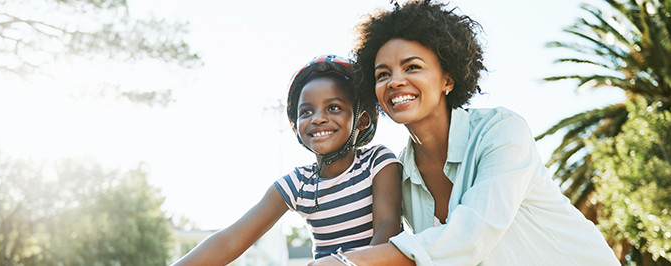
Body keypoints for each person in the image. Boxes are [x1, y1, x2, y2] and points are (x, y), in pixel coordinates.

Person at [310, 1, 621, 265]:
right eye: (382, 74)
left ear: (448, 78)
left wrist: (345, 261)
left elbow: (471, 235)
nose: (395, 81)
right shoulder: (399, 173)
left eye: (413, 67)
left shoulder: (502, 132)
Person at [172, 55, 403, 265]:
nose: (318, 119)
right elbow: (231, 240)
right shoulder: (298, 184)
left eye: (333, 108)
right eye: (306, 112)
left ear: (361, 120)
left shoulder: (377, 162)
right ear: (295, 126)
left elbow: (387, 227)